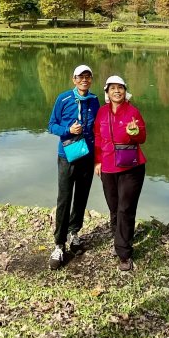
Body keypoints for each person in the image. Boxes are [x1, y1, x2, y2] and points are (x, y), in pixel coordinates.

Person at [46, 64, 99, 270]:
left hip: (87, 155)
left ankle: (74, 233)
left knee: (82, 197)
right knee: (64, 198)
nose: (84, 80)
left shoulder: (94, 100)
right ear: (74, 79)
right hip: (67, 155)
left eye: (88, 77)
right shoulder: (64, 98)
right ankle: (59, 244)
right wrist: (68, 129)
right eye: (80, 77)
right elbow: (51, 125)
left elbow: (99, 126)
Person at [93, 75, 147, 272]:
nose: (117, 91)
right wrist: (97, 160)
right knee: (114, 207)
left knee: (125, 207)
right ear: (106, 92)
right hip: (107, 165)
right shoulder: (101, 113)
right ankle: (119, 238)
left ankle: (124, 253)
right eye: (113, 88)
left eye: (121, 87)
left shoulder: (133, 111)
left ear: (125, 91)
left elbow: (143, 137)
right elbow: (97, 137)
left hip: (131, 166)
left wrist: (135, 132)